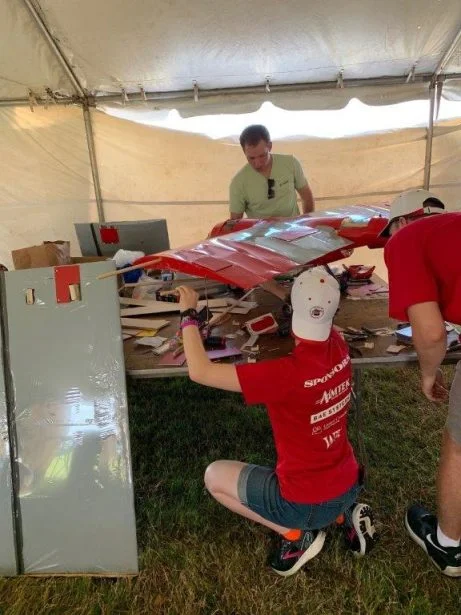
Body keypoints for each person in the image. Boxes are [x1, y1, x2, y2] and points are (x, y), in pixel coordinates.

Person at [176, 267, 377, 577]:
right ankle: (342, 514)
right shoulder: (338, 345)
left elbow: (200, 371)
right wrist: (269, 284)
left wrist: (188, 316)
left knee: (214, 476)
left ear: (294, 312)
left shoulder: (284, 375)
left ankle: (296, 534)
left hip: (304, 504)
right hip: (349, 482)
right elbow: (315, 311)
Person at [381, 188, 461, 577]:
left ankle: (448, 546)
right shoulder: (452, 228)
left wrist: (430, 372)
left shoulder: (405, 239)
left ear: (400, 222)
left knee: (459, 447)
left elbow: (429, 333)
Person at [229, 124, 315, 219]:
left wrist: (307, 222)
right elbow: (235, 221)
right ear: (244, 151)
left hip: (293, 227)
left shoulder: (291, 163)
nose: (257, 163)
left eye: (262, 156)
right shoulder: (238, 182)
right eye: (251, 158)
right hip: (260, 229)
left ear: (270, 146)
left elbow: (306, 196)